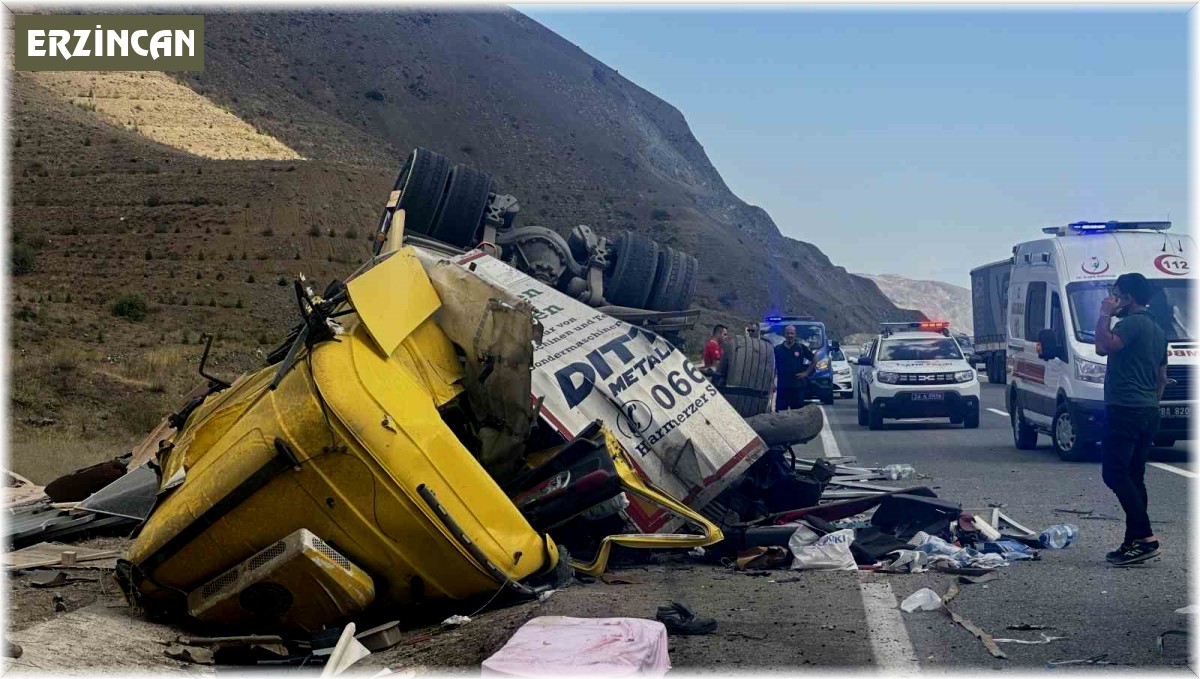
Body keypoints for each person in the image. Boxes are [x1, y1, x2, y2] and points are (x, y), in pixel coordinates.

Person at [1095, 272, 1169, 567]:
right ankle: (1132, 542)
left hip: (1125, 408)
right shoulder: (1158, 329)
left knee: (1113, 473)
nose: (1113, 299)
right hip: (1148, 410)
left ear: (1128, 297)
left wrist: (1104, 314)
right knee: (1134, 476)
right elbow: (1162, 377)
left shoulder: (1132, 323)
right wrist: (1151, 403)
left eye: (1116, 294)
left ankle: (1146, 538)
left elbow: (1103, 345)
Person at [774, 325, 815, 411]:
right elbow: (772, 366)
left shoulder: (801, 348)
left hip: (797, 387)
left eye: (792, 333)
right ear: (784, 334)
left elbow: (814, 359)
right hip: (782, 386)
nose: (790, 335)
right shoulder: (778, 349)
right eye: (788, 333)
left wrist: (806, 373)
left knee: (797, 412)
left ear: (795, 334)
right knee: (780, 413)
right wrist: (772, 382)